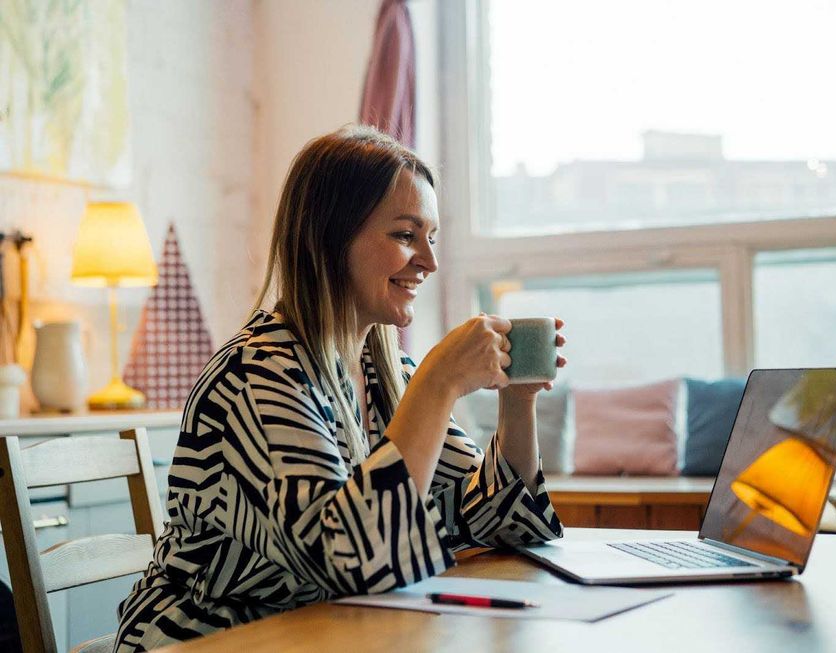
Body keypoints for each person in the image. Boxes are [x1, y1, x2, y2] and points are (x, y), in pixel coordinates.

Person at [114, 126, 566, 651]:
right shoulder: (258, 374)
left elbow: (498, 516)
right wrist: (439, 382)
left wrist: (517, 399)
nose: (429, 261)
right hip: (210, 640)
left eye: (432, 238)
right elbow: (351, 560)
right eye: (405, 235)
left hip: (321, 634)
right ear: (331, 237)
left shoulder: (383, 369)